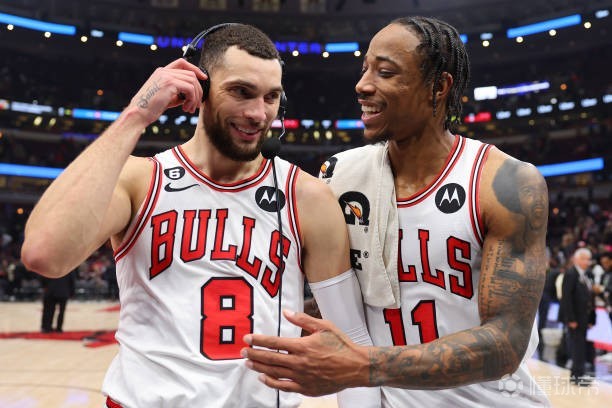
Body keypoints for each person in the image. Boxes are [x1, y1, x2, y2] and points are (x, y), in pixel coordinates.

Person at [21, 23, 376, 408]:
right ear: (199, 88)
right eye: (241, 92)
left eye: (271, 97)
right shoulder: (141, 180)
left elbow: (351, 340)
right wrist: (136, 115)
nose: (259, 113)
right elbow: (45, 254)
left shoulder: (307, 197)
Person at [243, 16, 551, 407]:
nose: (362, 85)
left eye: (385, 72)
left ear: (439, 87)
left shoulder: (504, 183)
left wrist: (363, 365)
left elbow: (506, 342)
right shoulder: (340, 176)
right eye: (364, 69)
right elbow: (340, 304)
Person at [560, 247, 596, 385]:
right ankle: (576, 376)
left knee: (581, 347)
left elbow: (589, 298)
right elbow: (566, 298)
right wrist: (571, 319)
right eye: (584, 259)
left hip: (584, 317)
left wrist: (591, 318)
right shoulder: (571, 273)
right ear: (576, 259)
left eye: (589, 259)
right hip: (575, 318)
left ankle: (579, 374)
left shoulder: (586, 275)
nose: (587, 262)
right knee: (577, 347)